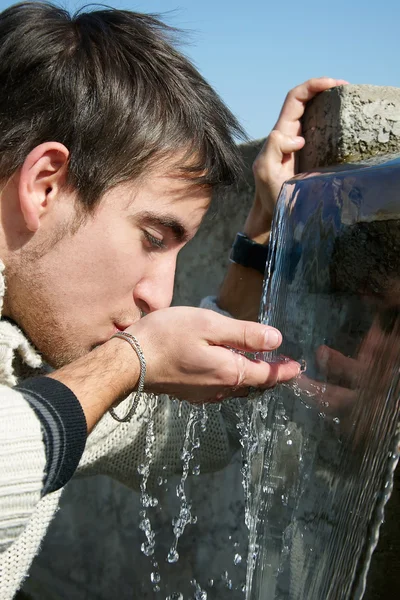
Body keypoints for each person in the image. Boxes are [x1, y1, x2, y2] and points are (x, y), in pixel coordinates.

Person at [0, 1, 346, 597]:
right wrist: (128, 362)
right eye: (152, 239)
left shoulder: (32, 352)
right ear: (46, 185)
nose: (159, 296)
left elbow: (182, 436)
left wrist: (265, 224)